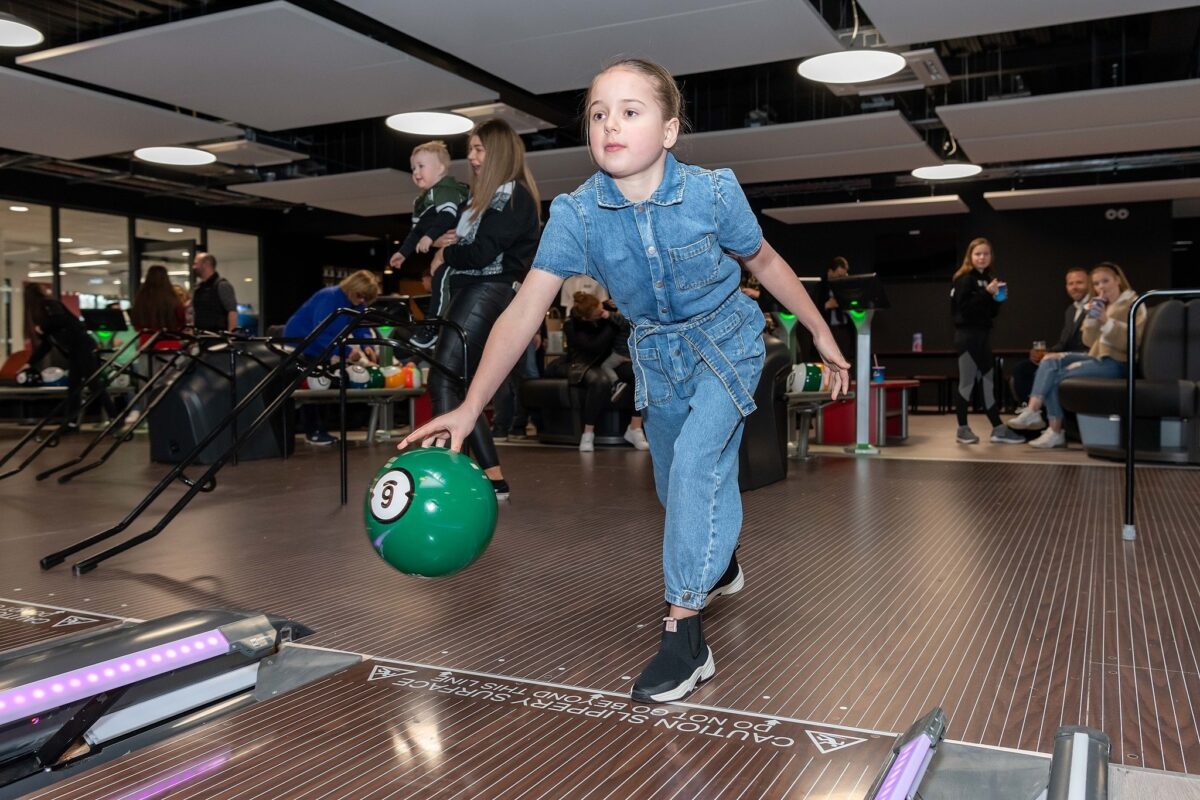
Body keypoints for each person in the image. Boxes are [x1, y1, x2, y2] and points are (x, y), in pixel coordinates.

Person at [401, 58, 849, 703]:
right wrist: (470, 407)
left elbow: (767, 262)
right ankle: (718, 564)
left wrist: (825, 338)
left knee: (698, 466)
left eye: (630, 111)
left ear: (669, 130)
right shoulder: (577, 216)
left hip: (729, 343)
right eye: (598, 113)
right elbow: (524, 309)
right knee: (675, 488)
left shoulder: (713, 193)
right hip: (658, 362)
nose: (610, 124)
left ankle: (684, 632)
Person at [424, 118, 542, 500]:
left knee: (443, 378)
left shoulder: (513, 195)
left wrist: (446, 252)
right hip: (478, 291)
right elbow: (474, 244)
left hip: (487, 290)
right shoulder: (491, 197)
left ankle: (449, 474)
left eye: (479, 149)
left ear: (499, 152)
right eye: (470, 149)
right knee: (462, 387)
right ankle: (492, 479)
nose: (471, 157)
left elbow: (480, 252)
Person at [1005, 262, 1145, 449]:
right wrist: (1093, 319)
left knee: (1058, 375)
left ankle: (1055, 431)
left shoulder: (1133, 304)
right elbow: (1089, 341)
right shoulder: (1103, 305)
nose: (1101, 287)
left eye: (1105, 281)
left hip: (1118, 362)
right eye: (1096, 284)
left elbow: (1131, 342)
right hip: (1097, 358)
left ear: (1117, 280)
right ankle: (1032, 411)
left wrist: (1105, 319)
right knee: (1049, 360)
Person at [284, 270, 381, 445]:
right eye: (360, 296)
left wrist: (368, 346)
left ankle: (319, 429)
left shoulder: (356, 301)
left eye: (365, 298)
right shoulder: (329, 297)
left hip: (322, 347)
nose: (361, 301)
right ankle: (313, 431)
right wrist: (346, 352)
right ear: (353, 288)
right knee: (313, 388)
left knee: (323, 387)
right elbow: (320, 332)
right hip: (301, 345)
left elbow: (361, 326)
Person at [388, 141, 470, 348]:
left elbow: (447, 215)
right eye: (413, 168)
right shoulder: (421, 201)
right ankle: (438, 329)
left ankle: (433, 326)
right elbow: (417, 232)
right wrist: (403, 253)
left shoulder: (446, 188)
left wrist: (430, 237)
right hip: (451, 249)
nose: (416, 172)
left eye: (421, 166)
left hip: (465, 248)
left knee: (441, 279)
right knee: (440, 280)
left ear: (440, 168)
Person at [950, 238, 1025, 445]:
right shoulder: (964, 279)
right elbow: (962, 309)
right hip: (967, 336)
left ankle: (998, 428)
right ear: (970, 256)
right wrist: (986, 293)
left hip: (982, 336)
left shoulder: (990, 278)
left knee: (988, 382)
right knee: (966, 383)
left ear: (991, 257)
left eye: (986, 254)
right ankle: (963, 429)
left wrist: (996, 300)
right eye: (977, 254)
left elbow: (989, 313)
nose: (982, 257)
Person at [22, 284, 116, 431]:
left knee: (93, 383)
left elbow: (60, 320)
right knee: (74, 387)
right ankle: (72, 422)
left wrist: (43, 328)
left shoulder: (49, 306)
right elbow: (47, 344)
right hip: (75, 349)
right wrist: (30, 363)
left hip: (82, 347)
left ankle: (114, 417)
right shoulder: (44, 311)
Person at [1010, 267, 1091, 406]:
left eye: (1079, 283)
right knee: (1022, 369)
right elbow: (1063, 342)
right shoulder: (1071, 310)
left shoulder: (1097, 306)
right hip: (1064, 357)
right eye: (1070, 284)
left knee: (1046, 370)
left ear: (1089, 284)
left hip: (1084, 359)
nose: (1074, 287)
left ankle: (1039, 413)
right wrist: (1046, 353)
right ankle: (1031, 410)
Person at [130, 265, 187, 339]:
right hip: (170, 340)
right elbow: (181, 321)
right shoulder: (172, 299)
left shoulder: (141, 300)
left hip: (146, 341)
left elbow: (135, 322)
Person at [817, 256, 855, 361]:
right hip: (828, 329)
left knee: (845, 360)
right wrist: (826, 305)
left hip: (844, 329)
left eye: (844, 275)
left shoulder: (847, 287)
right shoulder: (820, 287)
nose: (841, 278)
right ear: (830, 272)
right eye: (838, 275)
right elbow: (813, 308)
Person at [191, 252, 237, 332]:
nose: (193, 267)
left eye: (196, 264)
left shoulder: (222, 285)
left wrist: (230, 336)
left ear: (206, 264)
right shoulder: (199, 287)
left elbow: (232, 312)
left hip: (218, 337)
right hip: (201, 336)